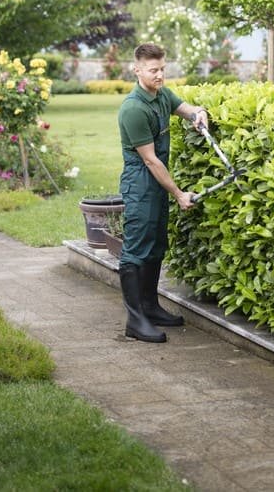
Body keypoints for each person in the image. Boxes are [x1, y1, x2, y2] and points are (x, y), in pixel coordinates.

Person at [116, 42, 208, 343]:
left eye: (162, 69)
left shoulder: (162, 95)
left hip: (155, 183)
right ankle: (135, 319)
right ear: (137, 70)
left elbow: (185, 109)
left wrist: (199, 113)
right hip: (141, 183)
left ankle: (151, 307)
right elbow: (150, 160)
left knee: (156, 243)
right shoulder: (133, 108)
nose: (159, 75)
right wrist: (180, 194)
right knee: (136, 248)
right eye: (153, 70)